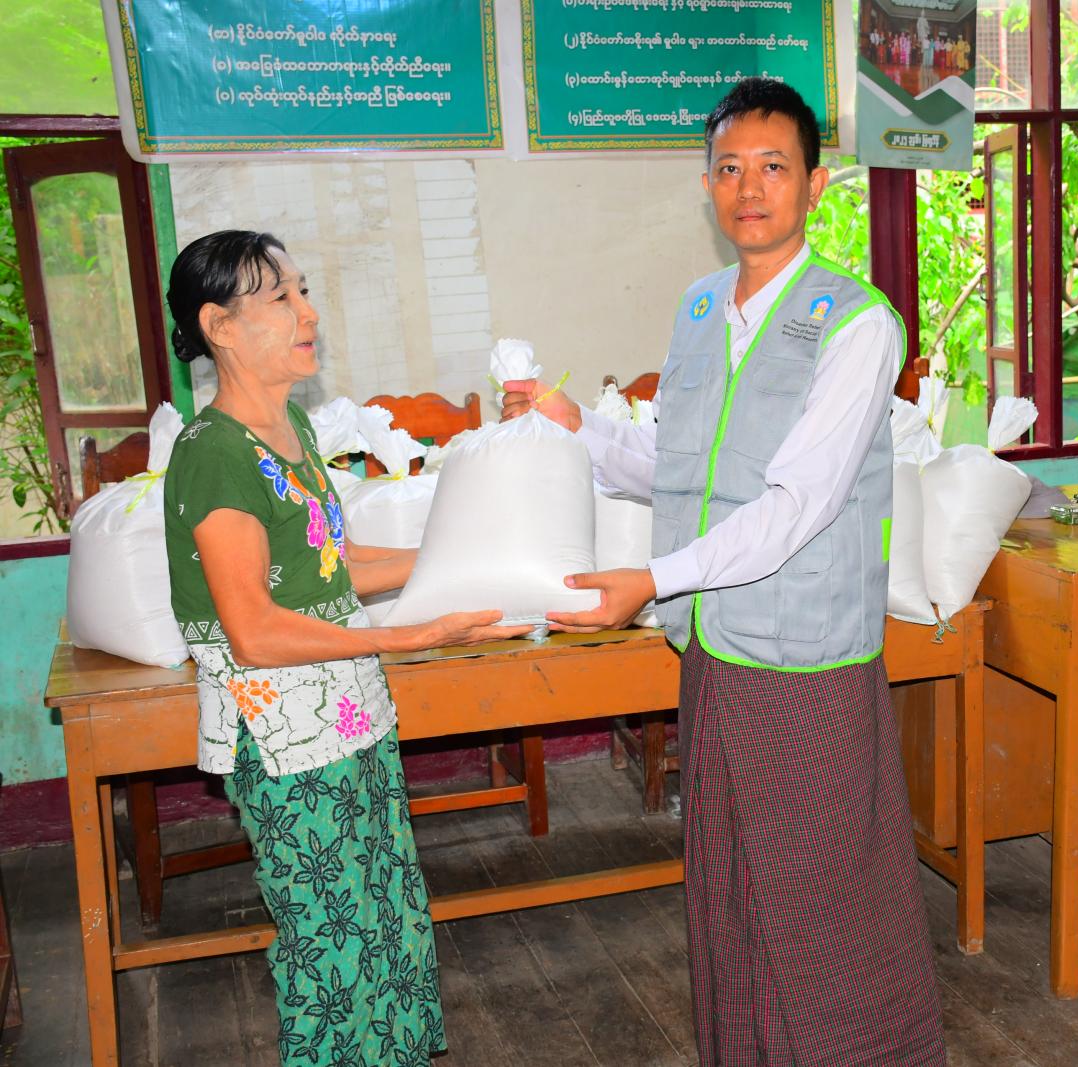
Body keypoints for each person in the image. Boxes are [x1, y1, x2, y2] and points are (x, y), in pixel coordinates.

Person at [501, 78, 946, 1065]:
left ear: (815, 184)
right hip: (713, 648)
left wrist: (652, 577)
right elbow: (677, 465)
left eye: (773, 166)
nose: (750, 188)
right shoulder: (701, 307)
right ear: (707, 185)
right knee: (732, 888)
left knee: (827, 906)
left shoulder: (857, 324)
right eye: (730, 168)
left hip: (805, 662)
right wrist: (575, 428)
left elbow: (797, 505)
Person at [163, 231, 529, 1065]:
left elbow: (340, 562)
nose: (309, 313)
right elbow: (254, 630)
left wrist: (468, 561)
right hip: (288, 739)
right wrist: (416, 633)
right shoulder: (213, 454)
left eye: (303, 290)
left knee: (386, 916)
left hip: (351, 714)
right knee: (333, 942)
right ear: (219, 325)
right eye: (282, 297)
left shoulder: (287, 425)